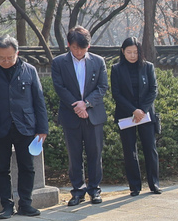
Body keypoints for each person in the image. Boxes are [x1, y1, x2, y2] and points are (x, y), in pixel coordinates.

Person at [0, 36, 48, 218]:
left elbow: (39, 101)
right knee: (1, 168)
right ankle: (7, 205)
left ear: (17, 53)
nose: (6, 61)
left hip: (25, 125)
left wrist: (42, 129)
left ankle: (26, 203)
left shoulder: (29, 70)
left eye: (10, 58)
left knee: (27, 166)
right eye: (2, 58)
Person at [51, 26, 108, 206]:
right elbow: (60, 88)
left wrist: (86, 103)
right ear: (69, 45)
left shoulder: (98, 62)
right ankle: (77, 191)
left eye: (82, 48)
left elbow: (102, 87)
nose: (78, 52)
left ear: (88, 46)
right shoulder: (59, 62)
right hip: (71, 115)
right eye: (75, 48)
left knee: (95, 154)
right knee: (74, 155)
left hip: (93, 115)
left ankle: (94, 190)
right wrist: (77, 106)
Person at [110, 37, 160, 197]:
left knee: (150, 149)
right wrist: (134, 110)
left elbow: (153, 90)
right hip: (126, 115)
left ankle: (154, 184)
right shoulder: (116, 69)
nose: (132, 55)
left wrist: (142, 110)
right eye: (129, 52)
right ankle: (135, 186)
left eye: (135, 52)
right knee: (129, 150)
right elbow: (116, 93)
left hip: (145, 115)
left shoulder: (148, 67)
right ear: (123, 52)